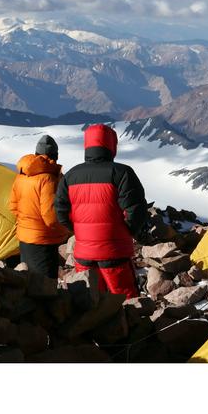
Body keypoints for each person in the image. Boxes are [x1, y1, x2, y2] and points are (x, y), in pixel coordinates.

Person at [54, 123, 147, 299]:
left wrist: (80, 231)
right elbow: (136, 210)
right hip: (115, 252)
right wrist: (127, 231)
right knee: (126, 300)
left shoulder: (71, 176)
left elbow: (60, 212)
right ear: (112, 145)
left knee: (91, 300)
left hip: (84, 253)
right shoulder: (122, 173)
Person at [8, 135, 69, 278]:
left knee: (29, 282)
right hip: (44, 240)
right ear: (56, 156)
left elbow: (12, 206)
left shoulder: (22, 176)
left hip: (25, 238)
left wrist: (27, 224)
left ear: (36, 154)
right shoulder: (48, 179)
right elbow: (51, 218)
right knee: (44, 286)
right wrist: (67, 230)